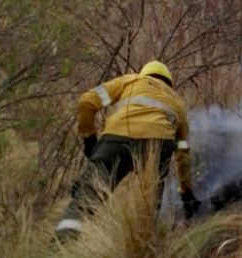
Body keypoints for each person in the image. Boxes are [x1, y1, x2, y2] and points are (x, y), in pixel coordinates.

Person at [55, 60, 200, 240]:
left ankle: (61, 245)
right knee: (148, 208)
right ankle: (141, 246)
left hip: (116, 141)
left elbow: (87, 102)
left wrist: (90, 141)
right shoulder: (176, 101)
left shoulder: (130, 81)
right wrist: (186, 191)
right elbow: (182, 151)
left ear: (143, 74)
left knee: (87, 198)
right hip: (157, 146)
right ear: (169, 82)